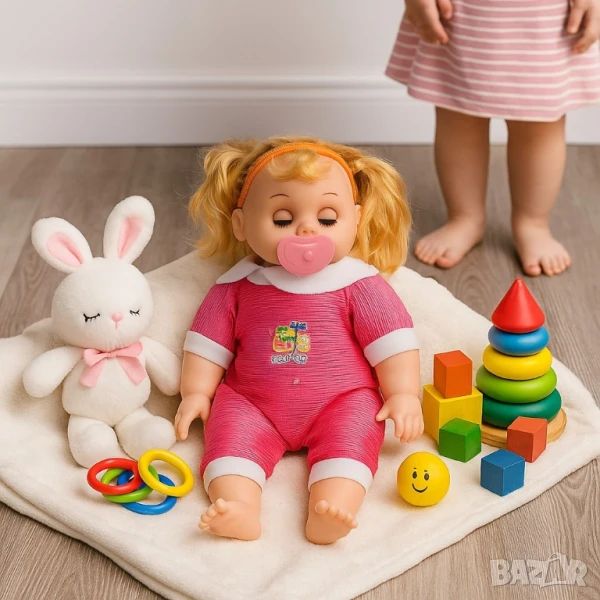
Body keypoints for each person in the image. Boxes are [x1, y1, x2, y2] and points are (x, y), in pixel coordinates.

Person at [387, 0, 600, 275]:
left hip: (546, 15)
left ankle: (533, 224)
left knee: (539, 126)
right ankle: (465, 218)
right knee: (458, 116)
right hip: (461, 13)